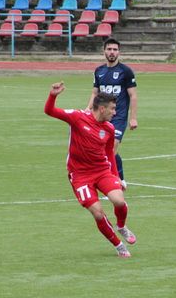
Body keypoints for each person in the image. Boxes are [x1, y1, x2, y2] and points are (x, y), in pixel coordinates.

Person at [46, 82, 136, 258]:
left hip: (101, 171)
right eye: (112, 109)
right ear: (102, 109)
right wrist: (53, 95)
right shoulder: (78, 118)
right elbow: (50, 111)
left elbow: (109, 155)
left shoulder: (109, 129)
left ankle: (121, 226)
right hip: (80, 175)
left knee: (119, 201)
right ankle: (118, 246)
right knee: (98, 212)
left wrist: (116, 177)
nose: (115, 112)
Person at [88, 37, 137, 186]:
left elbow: (133, 95)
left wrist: (133, 118)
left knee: (112, 148)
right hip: (102, 118)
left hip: (118, 117)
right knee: (104, 150)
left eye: (115, 49)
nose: (112, 52)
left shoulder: (126, 71)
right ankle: (120, 179)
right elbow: (95, 94)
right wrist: (87, 110)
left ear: (119, 52)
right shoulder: (99, 71)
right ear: (104, 51)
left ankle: (113, 182)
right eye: (109, 49)